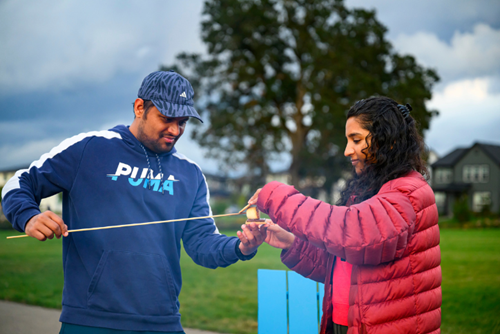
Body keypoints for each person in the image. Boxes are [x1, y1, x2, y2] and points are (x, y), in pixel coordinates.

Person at [1, 70, 267, 334]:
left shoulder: (190, 174)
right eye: (166, 118)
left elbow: (202, 244)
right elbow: (20, 182)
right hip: (90, 321)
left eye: (182, 122)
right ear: (140, 107)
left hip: (163, 322)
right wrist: (29, 216)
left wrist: (241, 246)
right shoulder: (91, 148)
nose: (175, 130)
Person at [249, 96, 442, 334]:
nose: (347, 150)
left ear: (388, 140)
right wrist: (292, 242)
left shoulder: (407, 191)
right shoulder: (369, 190)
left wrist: (277, 197)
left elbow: (356, 236)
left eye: (356, 139)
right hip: (346, 322)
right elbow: (339, 262)